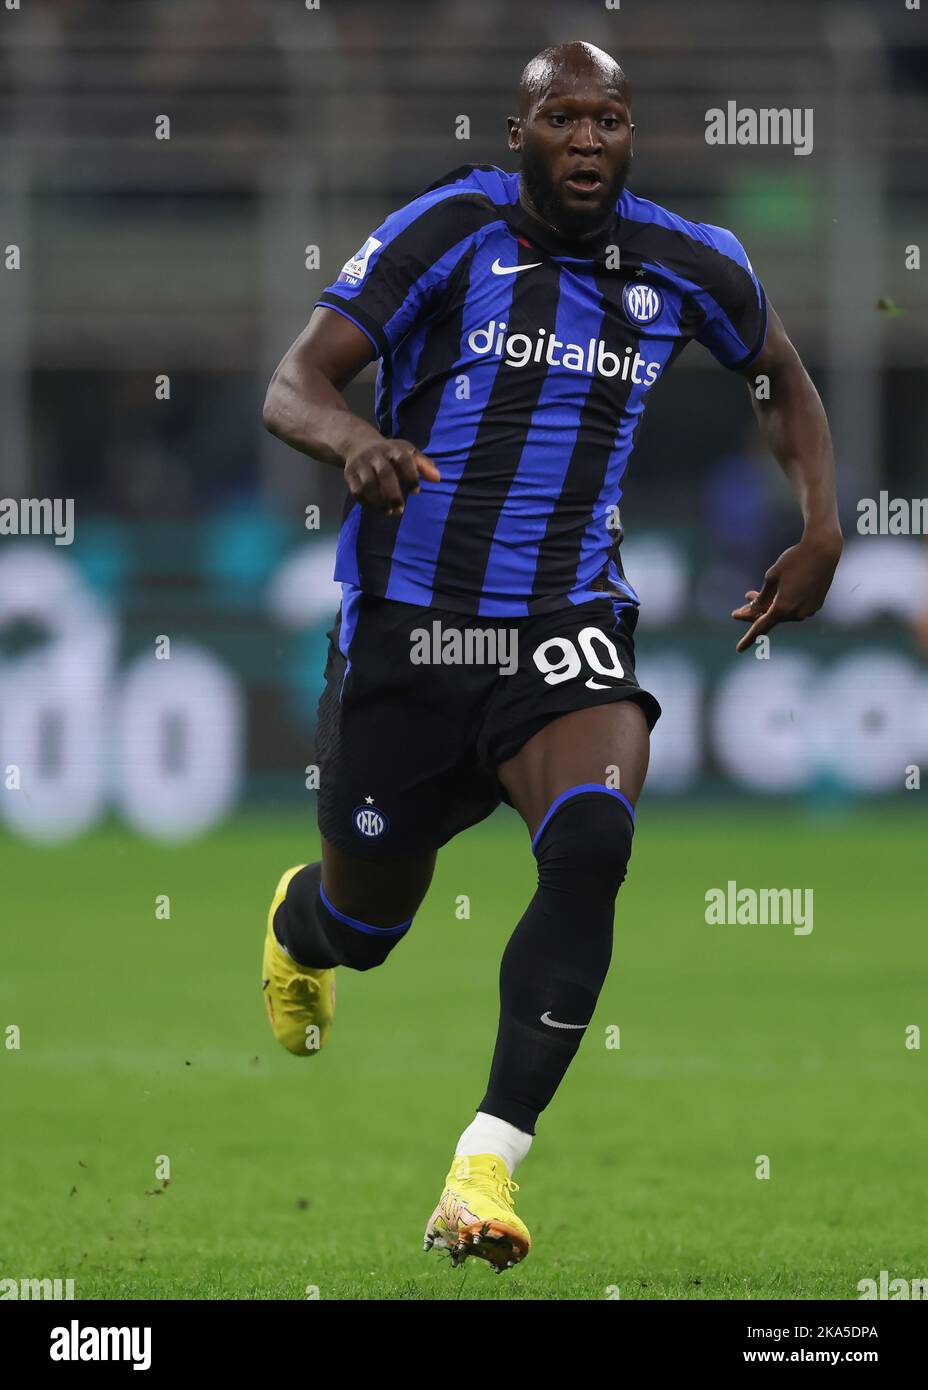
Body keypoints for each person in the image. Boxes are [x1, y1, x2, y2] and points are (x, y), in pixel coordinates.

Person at [260, 40, 842, 1272]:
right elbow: (294, 383)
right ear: (518, 132)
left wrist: (823, 526)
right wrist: (354, 442)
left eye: (610, 118)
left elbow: (778, 377)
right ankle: (299, 929)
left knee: (592, 840)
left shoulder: (690, 262)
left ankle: (485, 1164)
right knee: (366, 925)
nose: (587, 138)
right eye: (562, 117)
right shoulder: (448, 231)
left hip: (563, 621)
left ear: (632, 138)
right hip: (410, 637)